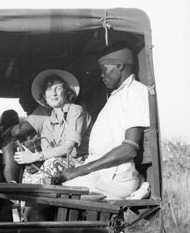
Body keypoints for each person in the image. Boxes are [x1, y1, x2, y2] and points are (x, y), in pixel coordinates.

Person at [53, 41, 150, 200]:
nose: (101, 75)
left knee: (54, 197)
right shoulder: (117, 95)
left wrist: (80, 170)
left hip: (115, 178)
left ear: (119, 66)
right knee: (51, 188)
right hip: (104, 175)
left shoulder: (136, 92)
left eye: (104, 70)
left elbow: (129, 149)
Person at [13, 70, 91, 220]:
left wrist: (36, 156)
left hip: (81, 162)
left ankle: (34, 215)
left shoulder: (76, 110)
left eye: (58, 88)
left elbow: (68, 147)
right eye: (49, 90)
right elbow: (49, 151)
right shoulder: (48, 122)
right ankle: (27, 216)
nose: (53, 94)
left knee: (49, 164)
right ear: (44, 96)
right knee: (30, 173)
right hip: (60, 162)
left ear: (66, 92)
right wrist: (31, 159)